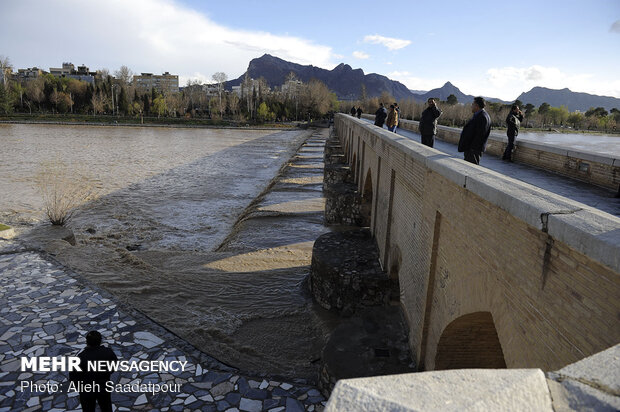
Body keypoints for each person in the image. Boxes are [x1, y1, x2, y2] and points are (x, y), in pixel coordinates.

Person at [69, 330, 118, 412]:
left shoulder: (80, 357)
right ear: (100, 341)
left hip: (87, 390)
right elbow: (114, 365)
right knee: (106, 408)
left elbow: (73, 377)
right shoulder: (108, 352)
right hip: (103, 386)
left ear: (87, 342)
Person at [457, 97, 491, 165]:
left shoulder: (483, 117)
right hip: (471, 149)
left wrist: (472, 148)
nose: (471, 106)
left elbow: (480, 135)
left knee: (470, 168)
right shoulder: (478, 115)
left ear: (476, 105)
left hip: (473, 150)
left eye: (472, 104)